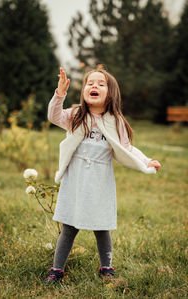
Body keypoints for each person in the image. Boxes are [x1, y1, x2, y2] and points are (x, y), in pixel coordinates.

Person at [44, 67, 161, 283]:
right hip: (76, 181)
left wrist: (146, 161)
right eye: (90, 83)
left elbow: (127, 149)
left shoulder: (115, 122)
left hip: (99, 182)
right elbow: (54, 116)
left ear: (110, 93)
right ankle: (56, 270)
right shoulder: (76, 115)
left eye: (100, 83)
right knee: (69, 226)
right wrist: (59, 94)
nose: (94, 86)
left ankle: (106, 268)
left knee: (101, 226)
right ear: (84, 90)